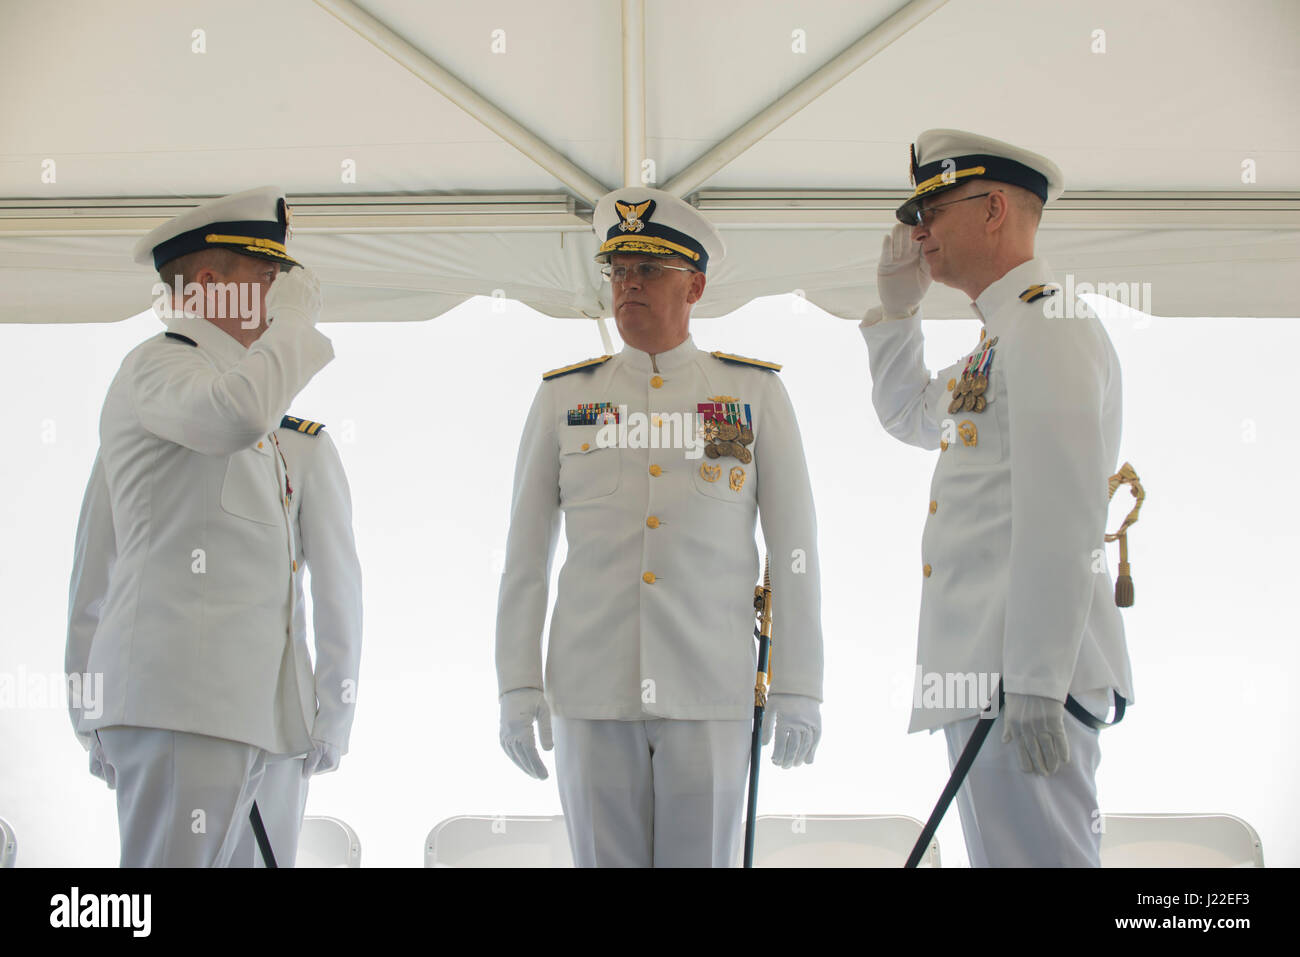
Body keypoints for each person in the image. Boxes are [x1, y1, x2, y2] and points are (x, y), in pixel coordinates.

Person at [495, 186, 824, 867]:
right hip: (590, 686)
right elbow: (524, 557)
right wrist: (517, 684)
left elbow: (795, 553)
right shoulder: (565, 396)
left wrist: (799, 683)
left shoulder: (753, 394)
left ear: (695, 286)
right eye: (618, 271)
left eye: (647, 271)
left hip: (708, 685)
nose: (628, 286)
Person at [856, 130, 1135, 866]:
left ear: (994, 210)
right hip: (991, 676)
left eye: (934, 209)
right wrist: (896, 315)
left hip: (1023, 676)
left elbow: (1064, 513)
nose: (919, 233)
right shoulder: (1002, 337)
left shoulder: (1051, 321)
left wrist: (1039, 679)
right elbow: (912, 414)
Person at [65, 186, 335, 867]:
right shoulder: (160, 367)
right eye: (266, 275)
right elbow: (235, 416)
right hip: (181, 701)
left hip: (230, 709)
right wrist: (295, 330)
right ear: (211, 284)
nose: (279, 290)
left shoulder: (228, 382)